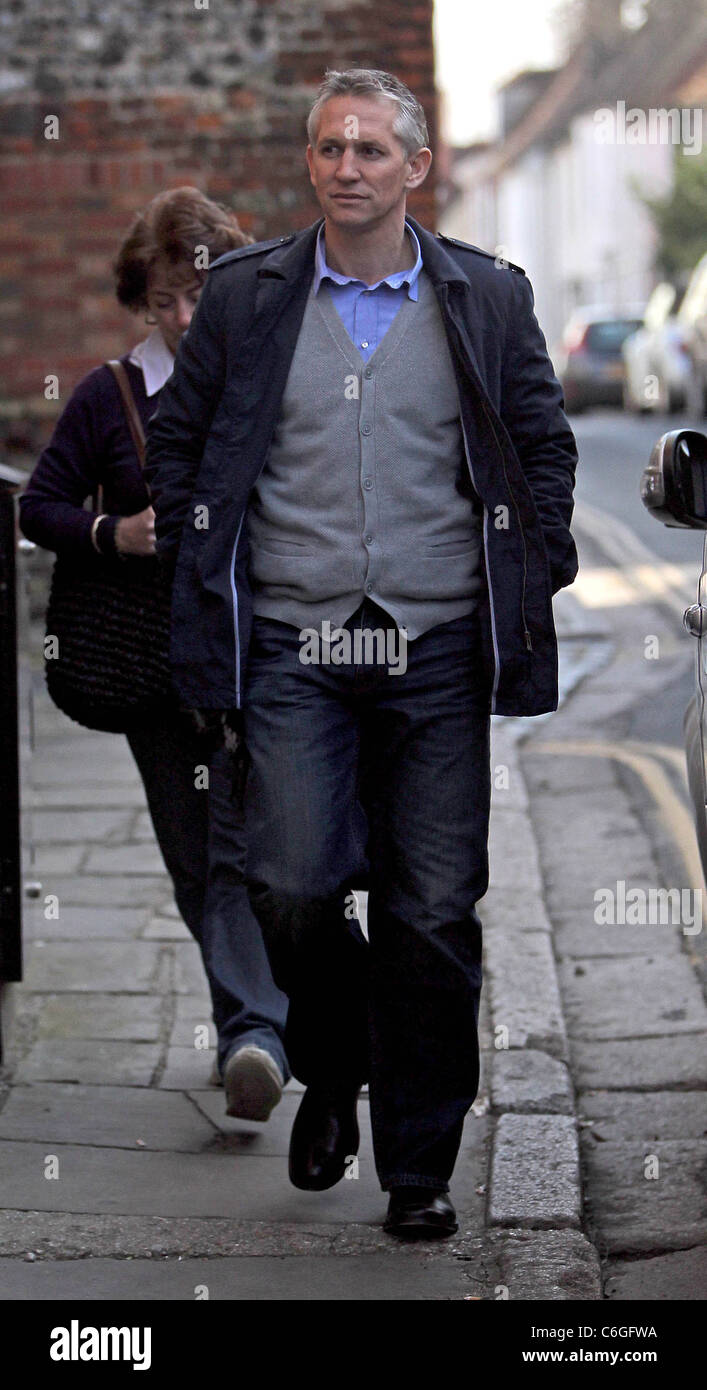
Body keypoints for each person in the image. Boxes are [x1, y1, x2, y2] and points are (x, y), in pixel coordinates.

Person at [144, 70, 579, 1238]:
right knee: (288, 882)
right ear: (310, 165)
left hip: (433, 642)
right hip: (297, 638)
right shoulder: (247, 299)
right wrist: (201, 576)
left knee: (432, 908)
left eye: (372, 149)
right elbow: (178, 444)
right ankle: (333, 1065)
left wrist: (529, 571)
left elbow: (540, 443)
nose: (348, 166)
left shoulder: (483, 299)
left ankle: (420, 1166)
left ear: (414, 169)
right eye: (330, 147)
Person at [19, 186, 289, 1122]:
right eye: (162, 302)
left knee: (265, 858)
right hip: (149, 665)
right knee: (195, 860)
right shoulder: (108, 396)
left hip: (263, 657)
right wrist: (109, 534)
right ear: (142, 300)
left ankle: (258, 1029)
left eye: (197, 298)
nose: (180, 318)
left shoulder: (265, 377)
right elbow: (38, 504)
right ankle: (250, 1032)